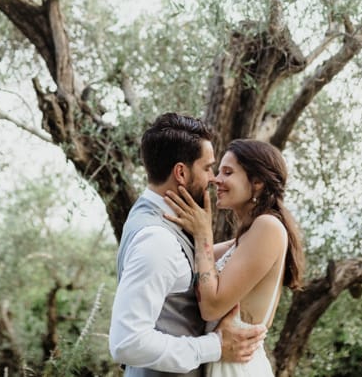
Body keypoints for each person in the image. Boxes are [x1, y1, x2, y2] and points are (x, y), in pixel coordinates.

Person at [110, 113, 267, 376]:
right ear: (181, 172)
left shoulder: (150, 217)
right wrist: (214, 346)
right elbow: (127, 342)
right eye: (207, 168)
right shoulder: (157, 240)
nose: (213, 178)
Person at [164, 139, 305, 377]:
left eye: (227, 172)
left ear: (258, 182)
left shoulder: (268, 226)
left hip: (239, 369)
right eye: (218, 171)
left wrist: (203, 233)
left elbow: (211, 307)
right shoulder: (244, 240)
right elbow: (187, 256)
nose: (217, 179)